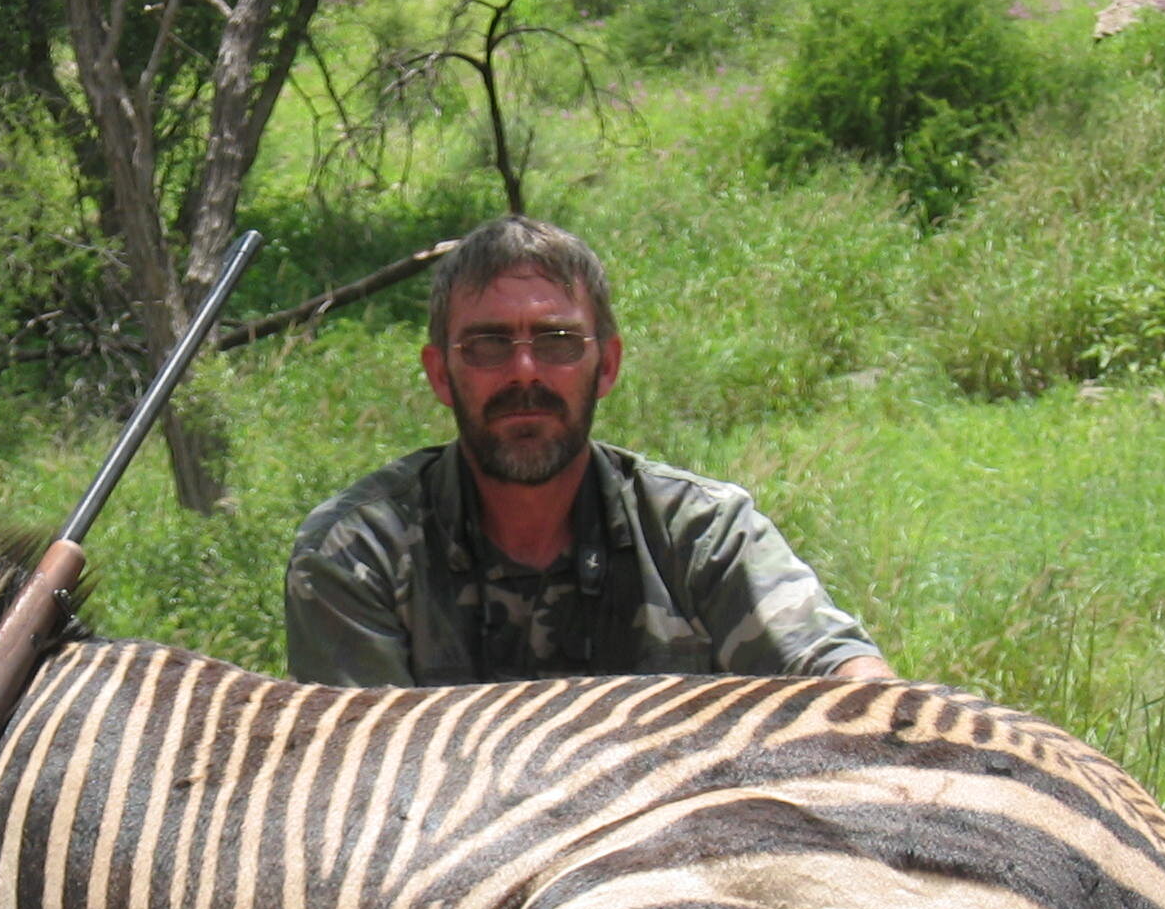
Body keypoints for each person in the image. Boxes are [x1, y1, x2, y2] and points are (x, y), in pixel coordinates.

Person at [284, 216, 894, 687]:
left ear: (607, 366)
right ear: (441, 375)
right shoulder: (357, 554)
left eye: (557, 342)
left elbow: (838, 674)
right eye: (488, 345)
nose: (525, 373)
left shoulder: (699, 532)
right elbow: (367, 793)